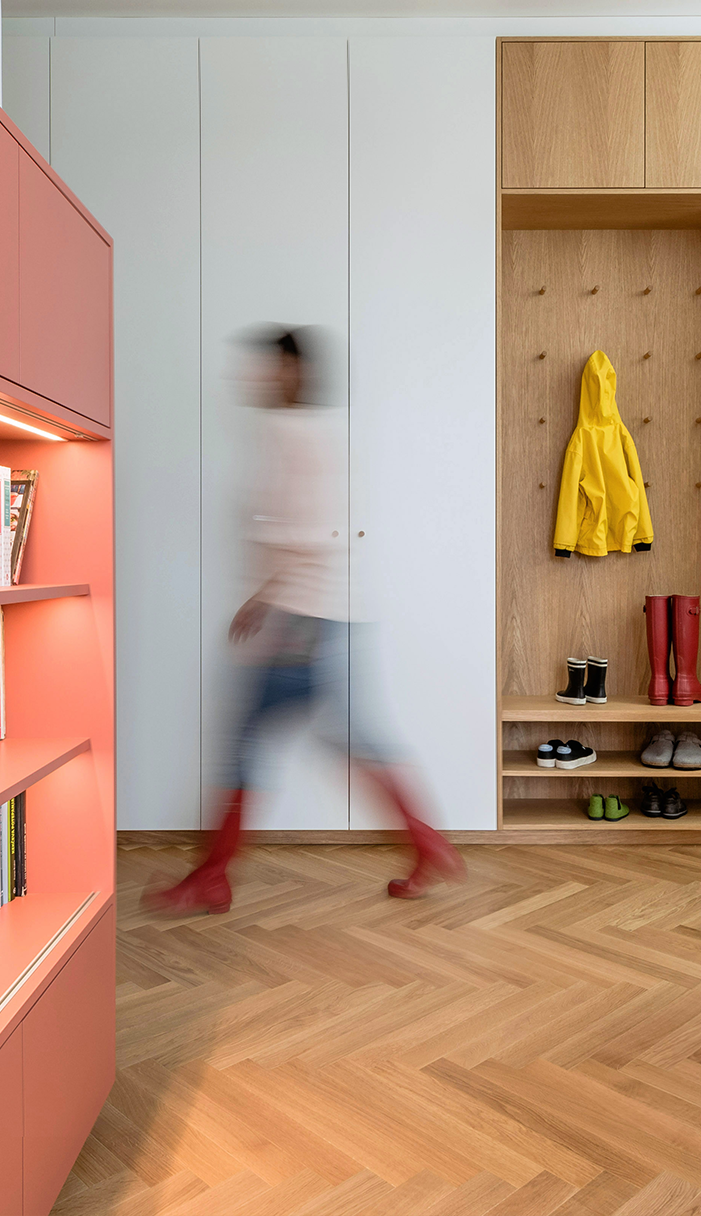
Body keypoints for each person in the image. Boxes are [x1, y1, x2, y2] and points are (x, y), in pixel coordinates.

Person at [145, 326, 465, 914]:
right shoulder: (325, 432)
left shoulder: (287, 431)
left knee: (247, 737)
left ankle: (213, 876)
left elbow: (312, 530)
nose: (258, 378)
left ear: (292, 371)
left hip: (302, 619)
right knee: (348, 734)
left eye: (269, 367)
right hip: (329, 615)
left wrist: (261, 596)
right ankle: (428, 846)